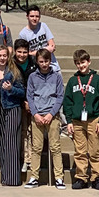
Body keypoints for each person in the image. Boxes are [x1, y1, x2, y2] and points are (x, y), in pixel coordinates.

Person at [63, 47, 99, 191]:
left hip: (93, 119)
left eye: (83, 62)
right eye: (78, 63)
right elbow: (68, 102)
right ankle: (81, 177)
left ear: (88, 62)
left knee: (95, 150)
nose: (81, 66)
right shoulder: (72, 81)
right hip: (77, 120)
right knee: (80, 151)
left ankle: (96, 177)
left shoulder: (97, 80)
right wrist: (69, 120)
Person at [25, 47, 65, 189]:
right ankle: (34, 177)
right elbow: (29, 96)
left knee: (55, 147)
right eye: (41, 61)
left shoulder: (56, 77)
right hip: (37, 116)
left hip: (52, 116)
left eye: (46, 61)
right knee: (36, 147)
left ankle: (59, 177)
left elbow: (60, 97)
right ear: (37, 62)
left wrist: (51, 114)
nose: (44, 64)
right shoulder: (32, 77)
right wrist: (35, 114)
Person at [0, 43, 25, 186]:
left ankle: (13, 179)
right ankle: (5, 177)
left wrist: (11, 89)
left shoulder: (14, 72)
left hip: (12, 109)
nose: (2, 58)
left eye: (4, 55)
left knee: (11, 143)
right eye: (0, 56)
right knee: (2, 142)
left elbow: (22, 92)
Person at [13, 37, 35, 173]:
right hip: (17, 102)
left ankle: (31, 159)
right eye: (19, 52)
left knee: (31, 132)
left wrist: (30, 102)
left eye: (24, 52)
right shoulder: (12, 64)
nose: (22, 55)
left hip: (32, 103)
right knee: (22, 132)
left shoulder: (34, 64)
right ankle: (23, 158)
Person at [18, 5, 59, 71]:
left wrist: (35, 52)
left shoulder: (43, 26)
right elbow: (25, 54)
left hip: (52, 66)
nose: (34, 19)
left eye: (37, 16)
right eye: (32, 16)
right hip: (36, 68)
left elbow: (52, 46)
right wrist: (45, 49)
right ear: (27, 17)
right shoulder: (23, 34)